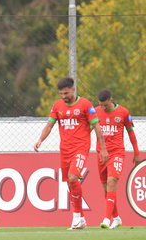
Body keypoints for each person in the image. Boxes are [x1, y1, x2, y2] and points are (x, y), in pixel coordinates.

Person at [34, 77, 109, 230]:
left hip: (81, 148)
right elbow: (49, 125)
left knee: (73, 177)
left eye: (66, 93)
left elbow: (97, 127)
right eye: (61, 93)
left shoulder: (85, 104)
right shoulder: (57, 106)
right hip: (65, 151)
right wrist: (40, 139)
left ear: (73, 90)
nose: (64, 96)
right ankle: (81, 218)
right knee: (69, 183)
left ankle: (76, 217)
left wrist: (103, 148)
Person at [95, 89, 140, 229]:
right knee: (106, 188)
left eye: (106, 105)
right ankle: (117, 218)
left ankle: (106, 219)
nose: (103, 108)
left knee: (111, 182)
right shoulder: (95, 112)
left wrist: (136, 152)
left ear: (111, 100)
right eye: (101, 105)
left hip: (117, 153)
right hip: (101, 154)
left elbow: (130, 132)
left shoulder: (123, 112)